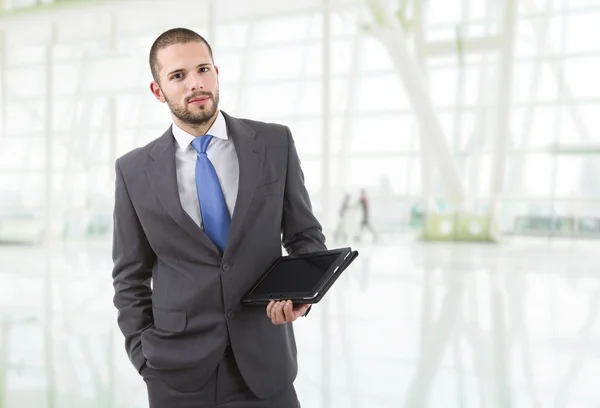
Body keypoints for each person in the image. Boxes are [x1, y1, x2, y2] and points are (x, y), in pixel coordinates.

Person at [111, 27, 327, 408]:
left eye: (203, 69)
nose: (195, 83)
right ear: (158, 90)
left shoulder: (275, 143)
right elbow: (130, 275)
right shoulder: (133, 171)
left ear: (216, 72)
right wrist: (143, 357)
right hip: (177, 374)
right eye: (178, 76)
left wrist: (300, 294)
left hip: (266, 364)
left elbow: (305, 236)